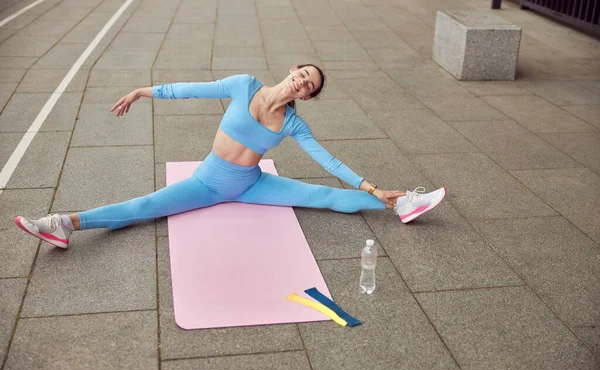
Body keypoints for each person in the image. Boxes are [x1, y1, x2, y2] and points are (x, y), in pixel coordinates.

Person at [14, 64, 445, 249]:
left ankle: (401, 201)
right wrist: (146, 91)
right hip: (207, 181)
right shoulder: (244, 85)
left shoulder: (294, 123)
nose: (301, 82)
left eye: (309, 85)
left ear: (308, 96)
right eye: (303, 74)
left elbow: (329, 162)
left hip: (252, 183)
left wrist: (370, 185)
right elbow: (191, 90)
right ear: (293, 69)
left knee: (325, 196)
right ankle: (62, 224)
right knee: (143, 207)